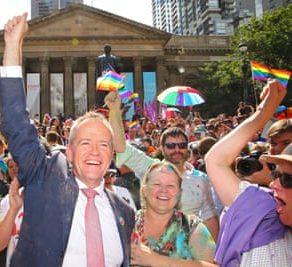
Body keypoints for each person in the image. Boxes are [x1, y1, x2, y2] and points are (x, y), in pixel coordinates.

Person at [0, 12, 135, 267]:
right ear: (68, 152)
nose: (95, 151)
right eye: (85, 143)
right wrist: (14, 46)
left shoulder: (125, 211)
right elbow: (16, 121)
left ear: (111, 155)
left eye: (104, 144)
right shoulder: (45, 180)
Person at [105, 90, 220, 242]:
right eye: (171, 145)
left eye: (181, 145)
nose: (176, 149)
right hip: (153, 248)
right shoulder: (150, 168)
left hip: (188, 251)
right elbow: (120, 147)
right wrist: (114, 112)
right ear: (162, 148)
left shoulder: (201, 179)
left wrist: (214, 256)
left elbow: (209, 217)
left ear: (187, 147)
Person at [205, 79, 292, 266]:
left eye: (286, 179)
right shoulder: (263, 210)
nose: (274, 183)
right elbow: (216, 161)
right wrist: (263, 113)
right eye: (276, 175)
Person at [130, 161, 216, 266]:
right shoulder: (128, 223)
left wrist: (156, 260)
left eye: (170, 186)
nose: (164, 190)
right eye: (157, 184)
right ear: (144, 190)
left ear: (180, 193)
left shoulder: (191, 227)